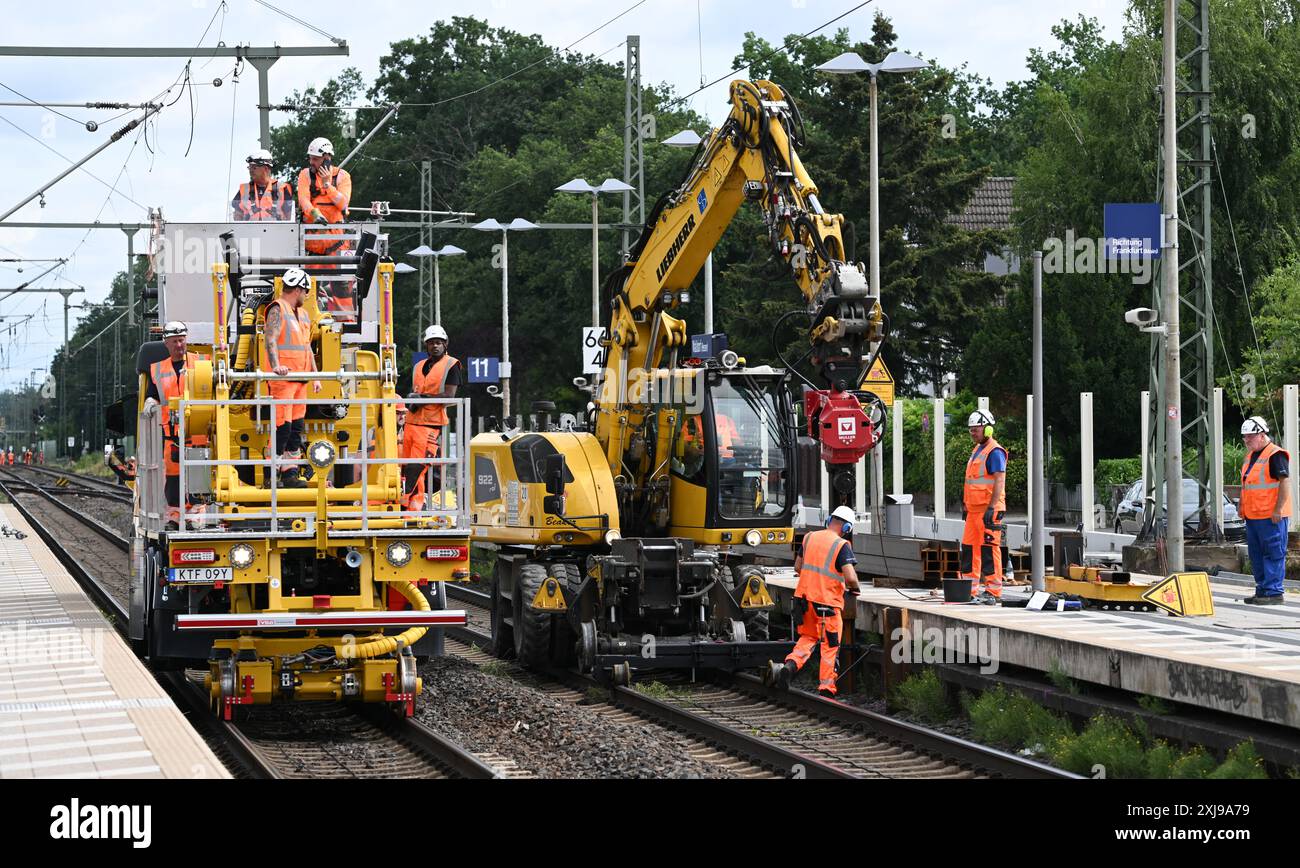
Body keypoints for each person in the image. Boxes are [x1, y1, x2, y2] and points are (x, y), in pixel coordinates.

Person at [771, 505, 860, 697]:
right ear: (847, 529)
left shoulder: (809, 537)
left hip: (804, 602)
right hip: (828, 604)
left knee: (808, 638)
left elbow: (797, 567)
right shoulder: (841, 545)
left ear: (829, 520)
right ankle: (827, 688)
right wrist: (855, 589)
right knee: (830, 645)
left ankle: (791, 665)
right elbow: (851, 577)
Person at [261, 267, 321, 488]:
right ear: (298, 289)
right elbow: (271, 338)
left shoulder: (303, 315)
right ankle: (271, 474)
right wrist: (276, 366)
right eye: (305, 292)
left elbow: (307, 348)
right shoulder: (278, 309)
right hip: (283, 381)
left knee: (296, 429)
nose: (306, 296)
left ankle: (290, 474)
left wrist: (315, 377)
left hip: (300, 381)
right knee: (281, 428)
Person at [145, 322, 209, 517]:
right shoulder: (157, 369)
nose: (179, 345)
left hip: (197, 430)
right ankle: (175, 513)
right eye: (174, 342)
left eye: (181, 340)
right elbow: (154, 394)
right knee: (173, 475)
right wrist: (149, 402)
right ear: (166, 343)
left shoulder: (202, 363)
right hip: (171, 433)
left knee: (199, 473)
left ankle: (198, 512)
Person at [401, 325, 462, 510]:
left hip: (431, 425)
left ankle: (403, 504)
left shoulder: (452, 365)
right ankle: (413, 508)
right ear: (426, 346)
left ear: (445, 344)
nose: (435, 346)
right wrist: (413, 399)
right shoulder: (419, 366)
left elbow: (449, 396)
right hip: (412, 422)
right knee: (405, 467)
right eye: (431, 343)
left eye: (438, 343)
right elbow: (417, 391)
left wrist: (423, 398)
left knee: (417, 467)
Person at [296, 137, 353, 316]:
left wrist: (328, 185)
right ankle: (309, 329)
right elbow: (303, 199)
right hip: (312, 247)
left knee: (342, 291)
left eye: (315, 158)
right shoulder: (305, 175)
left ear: (327, 157)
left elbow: (343, 204)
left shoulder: (343, 177)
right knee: (307, 292)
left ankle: (346, 330)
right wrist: (313, 213)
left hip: (337, 245)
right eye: (310, 158)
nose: (311, 162)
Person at [1240, 416, 1290, 605]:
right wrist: (1241, 506)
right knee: (1256, 554)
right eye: (1244, 437)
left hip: (1272, 516)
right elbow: (1248, 485)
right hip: (1253, 516)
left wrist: (1278, 509)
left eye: (1249, 437)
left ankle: (1274, 592)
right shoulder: (1251, 456)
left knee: (1273, 552)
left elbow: (1285, 482)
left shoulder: (1275, 454)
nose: (1246, 440)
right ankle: (1262, 590)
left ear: (1261, 435)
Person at [962, 409, 1007, 603]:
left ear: (988, 429)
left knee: (989, 549)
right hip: (973, 510)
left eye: (976, 429)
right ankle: (968, 589)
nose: (972, 433)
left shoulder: (994, 451)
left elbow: (999, 481)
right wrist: (965, 506)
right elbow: (972, 481)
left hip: (989, 509)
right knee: (970, 548)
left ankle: (993, 591)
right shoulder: (976, 450)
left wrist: (992, 506)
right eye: (971, 430)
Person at [230, 149, 294, 221]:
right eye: (249, 167)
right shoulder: (244, 189)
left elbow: (289, 217)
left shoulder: (282, 188)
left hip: (276, 231)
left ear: (266, 168)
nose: (250, 170)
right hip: (249, 231)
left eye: (254, 167)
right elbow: (237, 215)